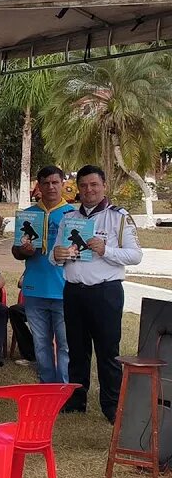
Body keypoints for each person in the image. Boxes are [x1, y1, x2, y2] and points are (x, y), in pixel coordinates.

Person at [51, 165, 143, 421]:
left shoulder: (118, 217)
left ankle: (112, 405)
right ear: (77, 189)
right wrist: (56, 255)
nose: (89, 190)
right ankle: (76, 400)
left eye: (94, 185)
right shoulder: (70, 217)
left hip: (105, 292)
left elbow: (136, 255)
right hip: (73, 292)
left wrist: (106, 250)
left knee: (108, 351)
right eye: (83, 186)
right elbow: (55, 253)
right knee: (77, 350)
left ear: (104, 186)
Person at [13, 166, 74, 384]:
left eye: (55, 182)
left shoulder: (73, 215)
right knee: (41, 342)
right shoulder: (29, 215)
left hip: (64, 289)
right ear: (38, 185)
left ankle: (64, 388)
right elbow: (15, 252)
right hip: (35, 289)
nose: (51, 187)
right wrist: (23, 250)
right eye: (46, 183)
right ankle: (47, 385)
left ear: (62, 184)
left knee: (66, 344)